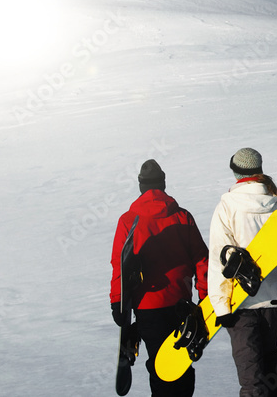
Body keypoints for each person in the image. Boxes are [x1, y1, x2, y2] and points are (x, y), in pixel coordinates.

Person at [110, 159, 209, 396]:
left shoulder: (127, 221)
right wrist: (205, 298)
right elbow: (202, 260)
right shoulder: (183, 217)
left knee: (160, 366)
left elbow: (119, 265)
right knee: (182, 363)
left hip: (147, 307)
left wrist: (117, 302)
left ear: (141, 186)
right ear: (163, 184)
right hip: (181, 304)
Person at [208, 147, 277, 397]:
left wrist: (221, 307)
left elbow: (219, 257)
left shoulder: (226, 207)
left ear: (236, 173)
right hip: (275, 299)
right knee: (271, 361)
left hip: (242, 302)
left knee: (251, 376)